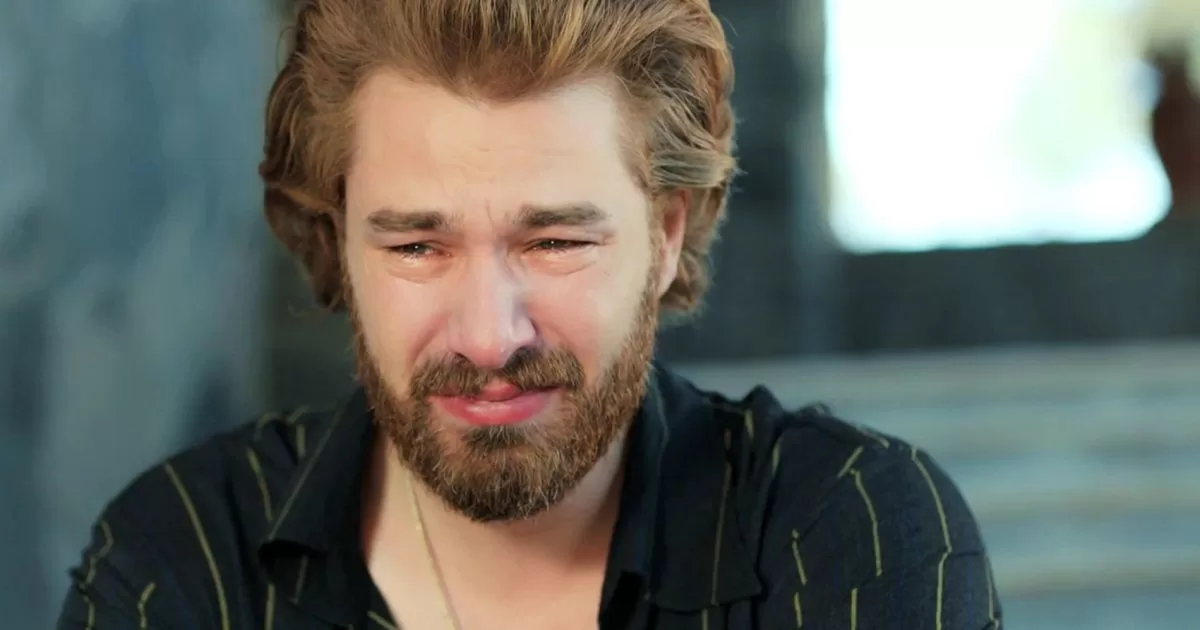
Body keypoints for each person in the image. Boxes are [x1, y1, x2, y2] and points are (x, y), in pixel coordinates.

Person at [58, 0, 1002, 628]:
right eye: (416, 246)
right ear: (339, 240)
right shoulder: (183, 559)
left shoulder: (845, 533)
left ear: (666, 234)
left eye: (553, 241)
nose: (488, 337)